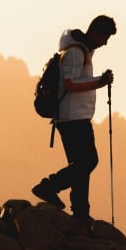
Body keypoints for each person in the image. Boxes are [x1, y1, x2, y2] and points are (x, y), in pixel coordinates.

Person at [31, 15, 116, 222]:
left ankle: (80, 212)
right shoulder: (75, 53)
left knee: (79, 165)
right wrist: (100, 81)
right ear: (96, 32)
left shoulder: (82, 50)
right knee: (88, 161)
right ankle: (48, 186)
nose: (105, 43)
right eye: (105, 37)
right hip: (72, 118)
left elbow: (76, 79)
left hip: (75, 116)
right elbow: (70, 84)